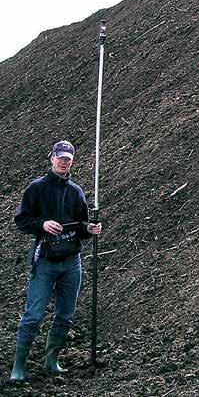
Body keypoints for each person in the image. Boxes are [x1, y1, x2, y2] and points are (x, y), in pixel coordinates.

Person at [9, 140, 102, 383]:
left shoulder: (76, 192)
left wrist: (90, 229)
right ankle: (18, 366)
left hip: (71, 262)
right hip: (45, 261)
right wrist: (42, 224)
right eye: (60, 157)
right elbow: (22, 220)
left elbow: (81, 225)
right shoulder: (36, 189)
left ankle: (52, 359)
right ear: (51, 158)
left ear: (72, 162)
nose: (63, 161)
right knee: (33, 314)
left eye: (68, 159)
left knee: (65, 313)